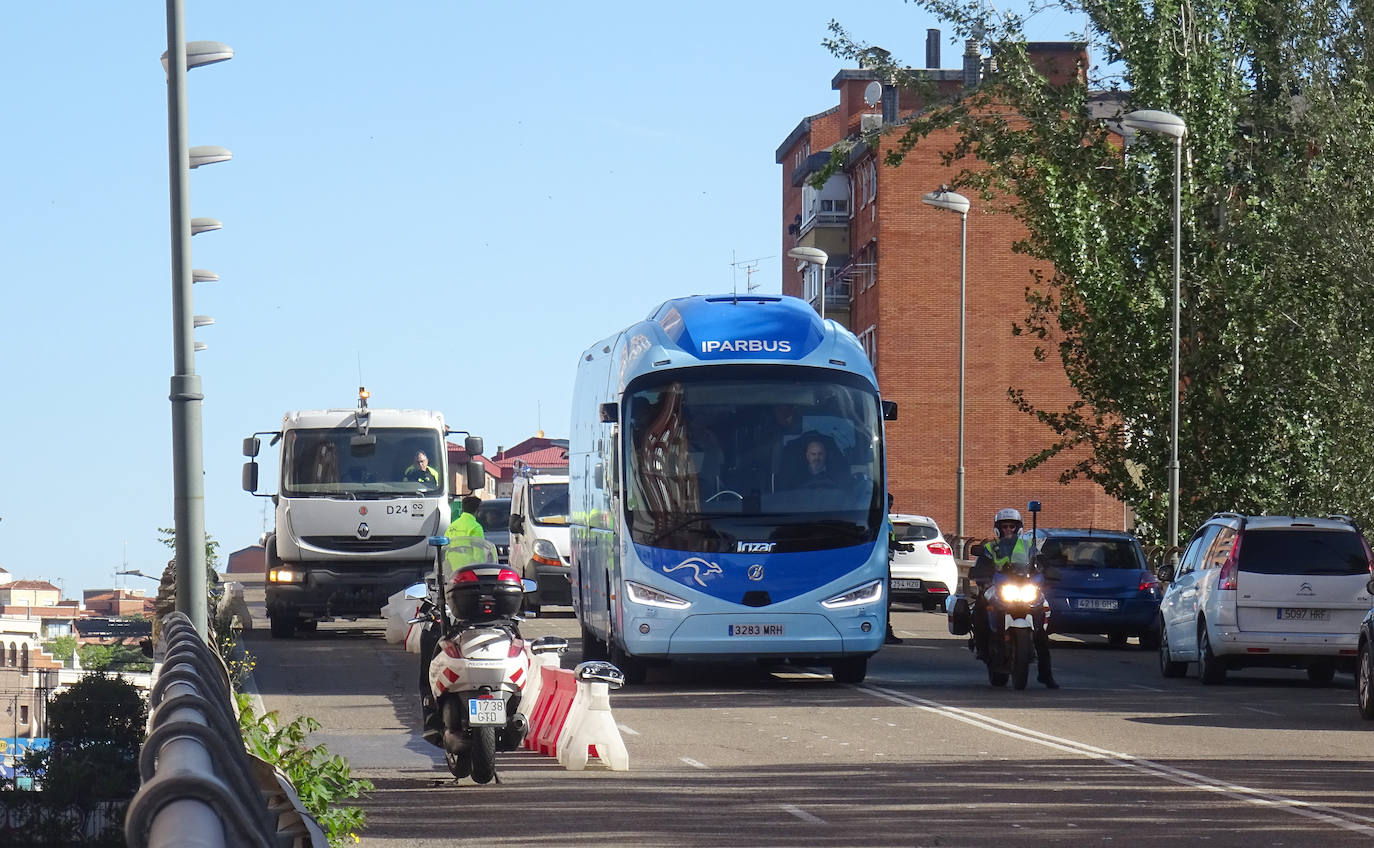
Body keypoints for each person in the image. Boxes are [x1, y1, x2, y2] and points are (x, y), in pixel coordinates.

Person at [968, 507, 1058, 689]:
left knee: (1041, 629)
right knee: (979, 610)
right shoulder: (990, 548)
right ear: (998, 529)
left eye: (1012, 526)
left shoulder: (1029, 547)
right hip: (998, 587)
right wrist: (981, 574)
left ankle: (1046, 674)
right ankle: (983, 648)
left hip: (1024, 587)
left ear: (1019, 528)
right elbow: (981, 565)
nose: (1008, 530)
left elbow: (1042, 563)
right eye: (1004, 527)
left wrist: (1049, 572)